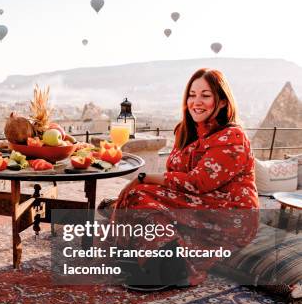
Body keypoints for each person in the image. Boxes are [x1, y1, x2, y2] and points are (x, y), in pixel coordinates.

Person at [111, 68, 259, 288]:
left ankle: (169, 270)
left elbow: (199, 182)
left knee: (141, 194)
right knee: (142, 200)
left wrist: (143, 178)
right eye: (192, 95)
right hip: (196, 201)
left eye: (206, 96)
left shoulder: (232, 136)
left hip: (228, 211)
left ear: (222, 103)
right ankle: (165, 264)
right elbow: (176, 174)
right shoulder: (187, 131)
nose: (196, 102)